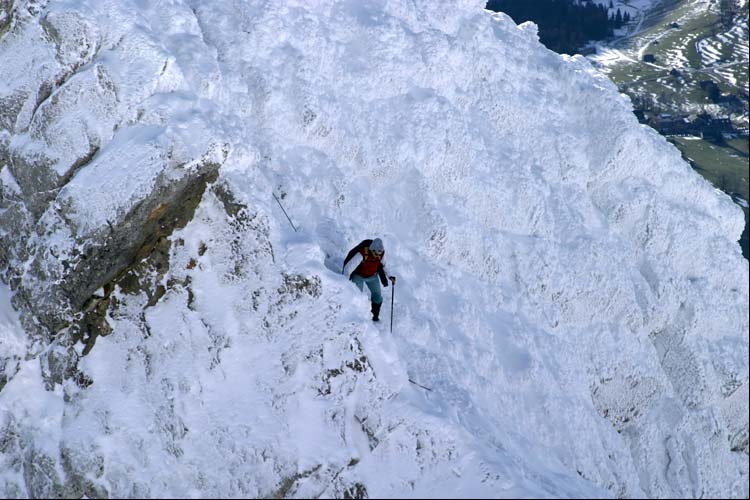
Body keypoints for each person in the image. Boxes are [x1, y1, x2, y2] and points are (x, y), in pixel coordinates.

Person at [343, 238, 396, 321]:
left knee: (377, 297)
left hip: (372, 276)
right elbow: (348, 268)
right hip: (358, 276)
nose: (378, 255)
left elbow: (384, 265)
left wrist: (390, 276)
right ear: (372, 249)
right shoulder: (362, 253)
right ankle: (357, 316)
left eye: (379, 253)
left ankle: (375, 316)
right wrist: (344, 282)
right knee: (357, 296)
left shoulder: (381, 254)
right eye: (376, 253)